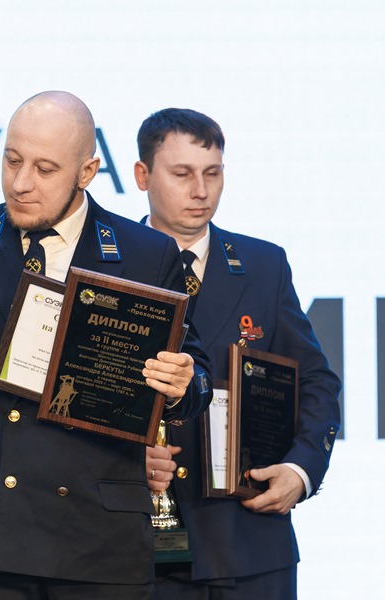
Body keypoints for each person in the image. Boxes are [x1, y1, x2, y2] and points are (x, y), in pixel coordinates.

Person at [0, 91, 213, 599]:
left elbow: (197, 378)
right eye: (12, 161)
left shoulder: (147, 254)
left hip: (99, 537)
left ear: (87, 172)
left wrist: (183, 383)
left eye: (45, 169)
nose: (20, 183)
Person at [135, 108, 342, 599]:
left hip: (250, 541)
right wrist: (120, 464)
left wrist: (301, 470)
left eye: (213, 173)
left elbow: (317, 381)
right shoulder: (105, 265)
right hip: (138, 549)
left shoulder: (264, 265)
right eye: (182, 174)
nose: (200, 190)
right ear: (143, 175)